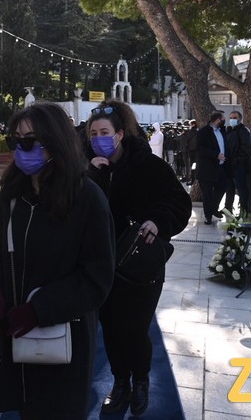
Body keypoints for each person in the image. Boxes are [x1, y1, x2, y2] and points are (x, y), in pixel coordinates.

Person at [0, 102, 115, 420]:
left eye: (30, 141)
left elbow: (97, 278)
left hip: (64, 341)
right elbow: (3, 257)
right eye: (15, 141)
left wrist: (39, 308)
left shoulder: (87, 198)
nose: (21, 149)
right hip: (18, 339)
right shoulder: (11, 198)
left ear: (55, 142)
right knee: (28, 408)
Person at [86, 100, 191, 416]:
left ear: (120, 134)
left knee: (133, 328)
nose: (99, 139)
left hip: (140, 264)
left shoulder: (148, 166)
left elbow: (179, 202)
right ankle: (120, 382)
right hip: (102, 265)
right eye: (93, 133)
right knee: (110, 328)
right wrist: (91, 175)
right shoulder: (87, 167)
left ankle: (141, 379)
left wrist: (158, 221)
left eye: (105, 132)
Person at [196, 110, 230, 224]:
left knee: (222, 187)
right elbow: (200, 149)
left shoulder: (222, 131)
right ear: (218, 120)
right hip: (207, 168)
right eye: (223, 118)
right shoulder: (203, 132)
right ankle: (208, 216)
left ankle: (214, 208)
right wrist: (216, 155)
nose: (225, 121)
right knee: (207, 193)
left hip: (220, 167)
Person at [224, 111, 251, 215]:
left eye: (235, 117)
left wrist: (238, 160)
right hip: (229, 164)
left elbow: (247, 148)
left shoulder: (244, 131)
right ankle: (228, 208)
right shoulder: (229, 130)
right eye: (231, 117)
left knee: (241, 188)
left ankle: (243, 211)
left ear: (240, 119)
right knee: (229, 188)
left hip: (239, 165)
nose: (232, 119)